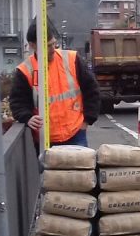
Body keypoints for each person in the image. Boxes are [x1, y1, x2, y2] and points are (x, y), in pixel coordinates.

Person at [10, 19, 101, 147]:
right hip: (44, 139)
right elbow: (18, 102)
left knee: (81, 166)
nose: (52, 48)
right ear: (32, 45)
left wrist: (86, 121)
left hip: (75, 133)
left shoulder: (72, 59)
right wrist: (27, 118)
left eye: (53, 44)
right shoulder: (25, 71)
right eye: (47, 46)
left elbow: (92, 90)